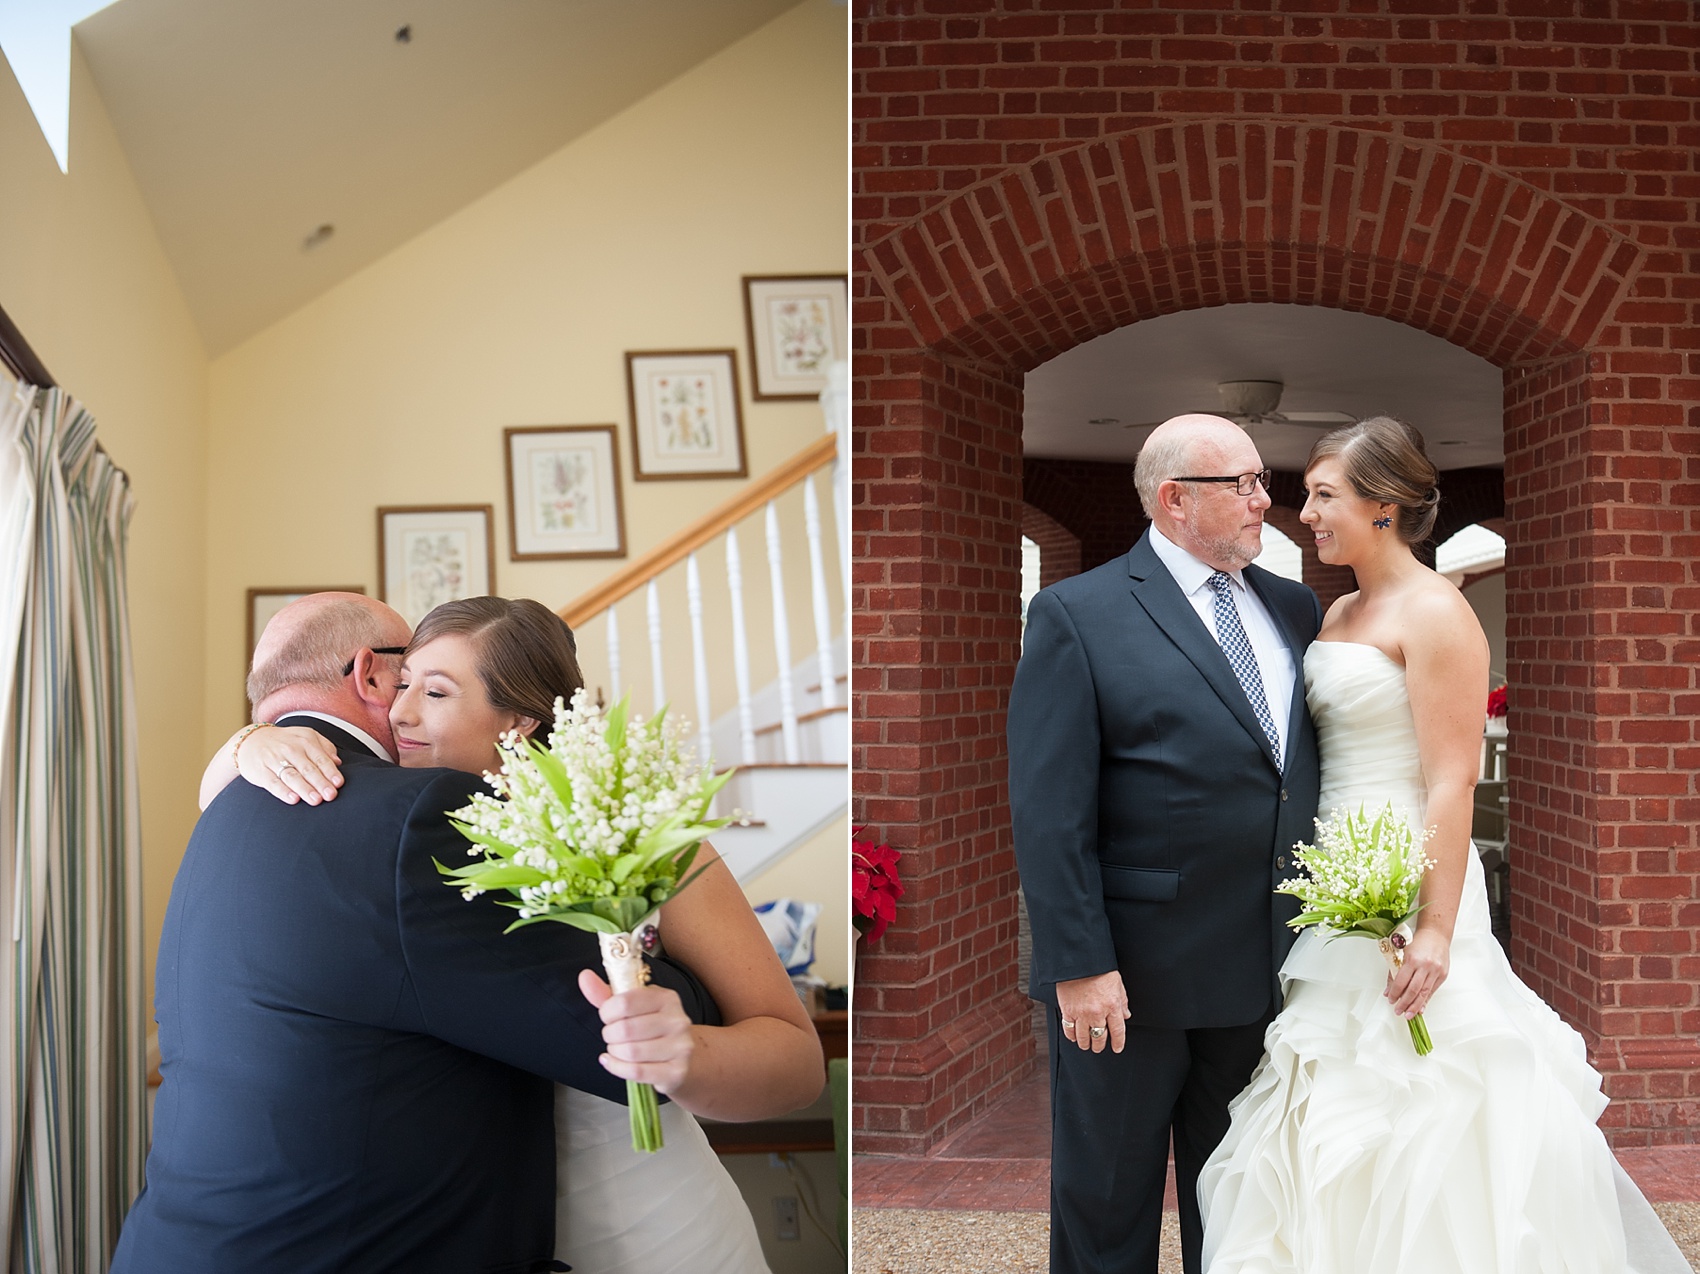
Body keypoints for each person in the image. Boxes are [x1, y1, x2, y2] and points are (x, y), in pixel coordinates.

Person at [1197, 418, 1689, 1273]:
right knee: (1326, 1084)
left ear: (1383, 506)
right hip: (1336, 885)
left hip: (1409, 876)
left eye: (1324, 496)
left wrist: (1432, 926)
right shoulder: (1340, 608)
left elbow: (1450, 781)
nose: (1302, 513)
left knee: (1427, 1092)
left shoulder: (1438, 611)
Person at [203, 595, 823, 1274]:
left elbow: (797, 1063)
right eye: (402, 682)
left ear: (520, 722)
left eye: (435, 692)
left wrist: (689, 1058)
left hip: (650, 1230)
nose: (400, 712)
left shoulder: (642, 835)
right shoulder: (398, 844)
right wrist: (251, 740)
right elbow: (228, 804)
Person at [1008, 415, 1324, 1274]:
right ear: (1175, 499)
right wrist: (1078, 963)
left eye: (1265, 480)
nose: (1269, 501)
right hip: (1128, 978)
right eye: (1246, 484)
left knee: (1242, 1202)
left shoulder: (1295, 606)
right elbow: (1049, 809)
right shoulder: (1077, 613)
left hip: (1266, 966)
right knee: (1107, 1199)